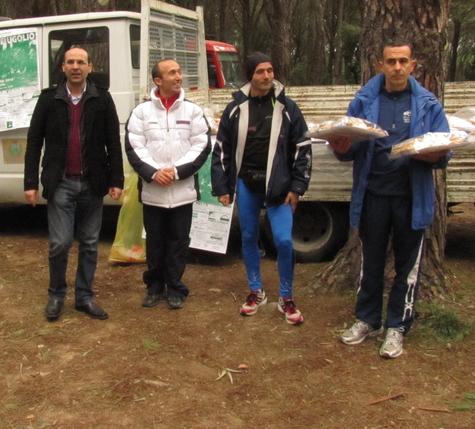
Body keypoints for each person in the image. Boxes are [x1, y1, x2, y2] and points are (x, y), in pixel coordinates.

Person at [327, 40, 451, 359]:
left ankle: (397, 327)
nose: (397, 67)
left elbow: (443, 149)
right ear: (380, 64)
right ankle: (367, 319)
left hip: (412, 196)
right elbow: (350, 147)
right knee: (372, 263)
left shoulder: (427, 103)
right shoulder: (364, 100)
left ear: (413, 65)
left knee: (407, 267)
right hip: (373, 195)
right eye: (391, 61)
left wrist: (433, 155)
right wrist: (340, 148)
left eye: (403, 61)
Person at [212, 52, 312, 325]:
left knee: (282, 241)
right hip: (246, 184)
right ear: (249, 76)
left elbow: (303, 149)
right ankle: (256, 291)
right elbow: (222, 148)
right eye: (260, 72)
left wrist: (297, 187)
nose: (267, 76)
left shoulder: (287, 108)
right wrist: (223, 186)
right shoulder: (236, 108)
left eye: (270, 70)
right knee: (248, 237)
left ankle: (287, 297)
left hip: (279, 187)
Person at [24, 47, 123, 321]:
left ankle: (84, 297)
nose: (76, 66)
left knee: (90, 243)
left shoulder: (102, 98)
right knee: (59, 243)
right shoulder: (49, 99)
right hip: (61, 182)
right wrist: (30, 182)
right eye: (70, 62)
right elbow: (34, 142)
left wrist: (116, 179)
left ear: (90, 67)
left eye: (81, 62)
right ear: (63, 68)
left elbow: (113, 142)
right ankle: (56, 295)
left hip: (93, 181)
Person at [125, 59, 211, 310]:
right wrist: (153, 173)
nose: (178, 77)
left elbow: (201, 145)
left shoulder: (193, 111)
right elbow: (133, 146)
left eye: (179, 72)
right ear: (158, 80)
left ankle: (175, 288)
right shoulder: (141, 112)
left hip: (182, 192)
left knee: (178, 242)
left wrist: (175, 172)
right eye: (172, 73)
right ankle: (154, 287)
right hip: (153, 192)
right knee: (155, 242)